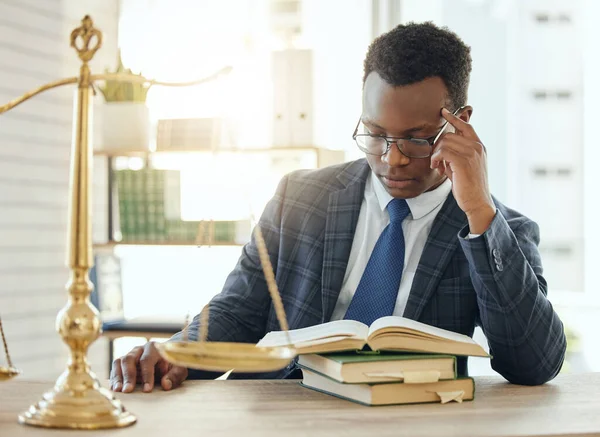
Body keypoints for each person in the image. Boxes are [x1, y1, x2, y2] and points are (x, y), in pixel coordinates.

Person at [110, 22, 566, 394]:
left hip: (412, 422)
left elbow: (534, 363)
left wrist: (479, 212)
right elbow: (239, 310)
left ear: (460, 125)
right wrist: (178, 352)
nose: (393, 158)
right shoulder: (300, 197)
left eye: (416, 137)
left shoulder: (497, 229)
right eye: (375, 133)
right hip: (287, 415)